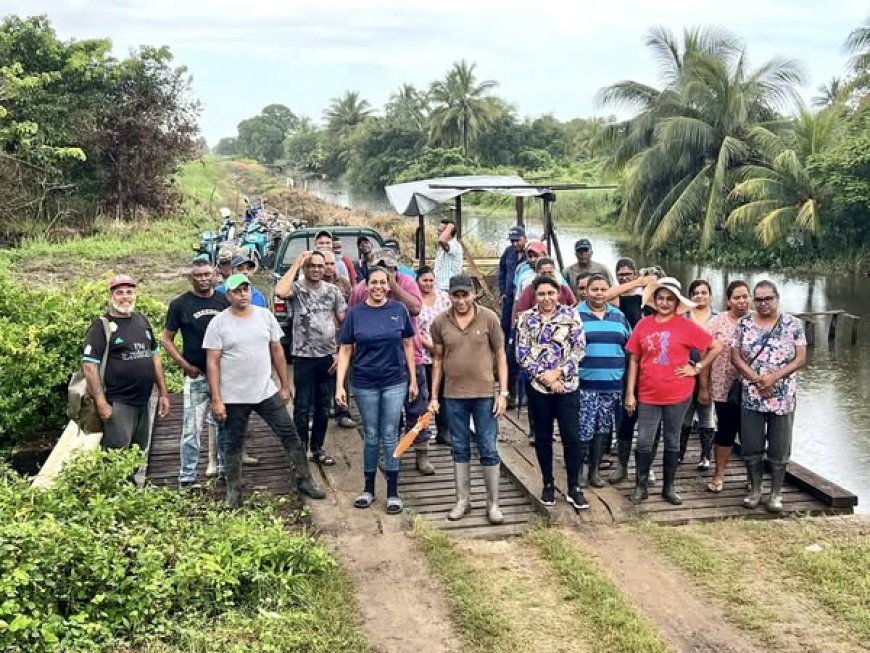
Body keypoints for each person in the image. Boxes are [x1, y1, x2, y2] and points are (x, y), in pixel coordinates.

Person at [204, 273, 326, 507]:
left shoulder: (264, 316)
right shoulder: (218, 323)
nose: (242, 295)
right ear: (228, 295)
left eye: (245, 290)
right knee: (234, 443)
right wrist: (217, 399)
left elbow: (277, 351)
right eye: (237, 291)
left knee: (289, 435)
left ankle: (305, 480)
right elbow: (212, 362)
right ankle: (234, 492)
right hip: (234, 396)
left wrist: (284, 384)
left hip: (265, 391)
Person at [624, 278, 722, 505]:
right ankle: (641, 485)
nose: (665, 303)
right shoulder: (643, 325)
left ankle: (669, 487)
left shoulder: (685, 325)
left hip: (678, 393)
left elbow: (715, 346)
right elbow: (634, 359)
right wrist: (630, 392)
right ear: (654, 300)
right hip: (648, 392)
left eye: (670, 299)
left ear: (677, 302)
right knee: (644, 441)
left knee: (672, 438)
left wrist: (696, 367)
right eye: (661, 298)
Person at [336, 267, 419, 514]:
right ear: (366, 285)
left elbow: (407, 344)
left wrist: (413, 380)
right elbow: (346, 349)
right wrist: (340, 384)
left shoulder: (398, 310)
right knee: (372, 435)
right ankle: (369, 488)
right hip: (364, 382)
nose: (379, 287)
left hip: (395, 380)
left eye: (383, 283)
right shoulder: (355, 314)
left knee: (390, 433)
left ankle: (393, 492)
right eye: (374, 282)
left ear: (389, 285)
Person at [429, 275, 509, 523]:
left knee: (487, 446)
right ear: (450, 296)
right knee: (459, 446)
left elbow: (500, 355)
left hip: (484, 394)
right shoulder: (440, 322)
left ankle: (492, 503)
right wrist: (433, 396)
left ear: (473, 294)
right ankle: (462, 499)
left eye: (465, 295)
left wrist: (503, 392)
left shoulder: (489, 318)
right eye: (456, 295)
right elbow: (438, 360)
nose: (461, 300)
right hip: (453, 395)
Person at [731, 281, 806, 512]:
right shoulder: (744, 324)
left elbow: (800, 359)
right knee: (751, 445)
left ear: (777, 298)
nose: (763, 304)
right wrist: (757, 380)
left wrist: (773, 378)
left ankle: (775, 494)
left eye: (768, 299)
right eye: (759, 299)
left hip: (782, 397)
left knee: (779, 447)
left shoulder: (793, 324)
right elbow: (736, 357)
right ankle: (755, 490)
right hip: (752, 395)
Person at [516, 276, 588, 509]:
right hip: (539, 387)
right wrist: (545, 378)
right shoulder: (526, 318)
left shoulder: (571, 315)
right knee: (543, 437)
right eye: (541, 294)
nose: (546, 298)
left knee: (571, 436)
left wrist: (558, 373)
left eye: (551, 293)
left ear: (558, 293)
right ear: (535, 296)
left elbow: (579, 349)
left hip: (567, 385)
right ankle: (548, 483)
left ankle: (574, 486)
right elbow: (522, 353)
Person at [275, 250, 347, 466]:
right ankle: (300, 450)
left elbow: (344, 321)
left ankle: (318, 448)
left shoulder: (333, 291)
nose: (316, 269)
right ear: (305, 268)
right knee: (303, 406)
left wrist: (340, 352)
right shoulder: (297, 289)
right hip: (303, 356)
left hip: (327, 357)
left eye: (320, 266)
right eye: (311, 266)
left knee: (323, 406)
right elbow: (280, 290)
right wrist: (297, 261)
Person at [82, 274, 170, 450]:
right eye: (119, 293)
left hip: (144, 401)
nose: (125, 297)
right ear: (111, 297)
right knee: (118, 453)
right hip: (118, 403)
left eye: (129, 292)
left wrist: (163, 393)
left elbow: (155, 357)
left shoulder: (142, 321)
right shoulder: (101, 326)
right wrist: (101, 402)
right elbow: (90, 366)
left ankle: (135, 478)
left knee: (138, 451)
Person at [162, 259, 230, 487]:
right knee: (191, 429)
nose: (203, 279)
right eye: (198, 275)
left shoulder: (224, 301)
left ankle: (224, 471)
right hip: (196, 376)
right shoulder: (179, 304)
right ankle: (187, 477)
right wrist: (184, 365)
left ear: (214, 276)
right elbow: (167, 339)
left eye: (206, 275)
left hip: (223, 377)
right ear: (191, 278)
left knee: (224, 426)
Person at [577, 274, 631, 488]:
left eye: (603, 289)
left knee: (602, 429)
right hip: (584, 385)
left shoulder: (618, 316)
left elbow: (629, 347)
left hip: (611, 385)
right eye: (594, 289)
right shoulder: (575, 315)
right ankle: (579, 471)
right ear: (586, 291)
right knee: (584, 429)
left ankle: (595, 471)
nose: (599, 293)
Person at [704, 280, 751, 493]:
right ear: (728, 300)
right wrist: (703, 386)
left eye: (745, 296)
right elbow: (704, 355)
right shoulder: (717, 322)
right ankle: (719, 474)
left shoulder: (756, 321)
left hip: (753, 388)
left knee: (751, 433)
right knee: (725, 429)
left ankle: (753, 477)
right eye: (737, 297)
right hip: (723, 386)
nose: (742, 301)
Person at [679, 280, 718, 468]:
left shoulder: (718, 317)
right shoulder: (683, 316)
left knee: (706, 413)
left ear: (710, 295)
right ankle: (680, 453)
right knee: (685, 414)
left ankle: (706, 456)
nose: (700, 296)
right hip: (685, 371)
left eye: (704, 292)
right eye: (696, 292)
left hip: (710, 371)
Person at [416, 265, 452, 455]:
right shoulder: (414, 300)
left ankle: (443, 430)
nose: (428, 284)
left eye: (431, 280)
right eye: (424, 280)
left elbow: (452, 318)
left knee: (444, 394)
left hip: (445, 352)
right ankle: (423, 432)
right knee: (426, 394)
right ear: (418, 281)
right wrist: (430, 345)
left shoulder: (444, 297)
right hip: (424, 353)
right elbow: (414, 328)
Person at [498, 226, 527, 404]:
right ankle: (506, 380)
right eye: (513, 240)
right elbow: (502, 271)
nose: (515, 243)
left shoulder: (530, 256)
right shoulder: (508, 253)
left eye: (518, 240)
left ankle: (520, 389)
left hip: (525, 305)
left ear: (525, 238)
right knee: (506, 336)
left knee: (520, 341)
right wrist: (502, 290)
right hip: (509, 301)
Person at [434, 217, 463, 291]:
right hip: (440, 287)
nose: (438, 233)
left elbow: (441, 240)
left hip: (448, 288)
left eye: (440, 231)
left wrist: (450, 226)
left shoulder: (454, 245)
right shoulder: (443, 247)